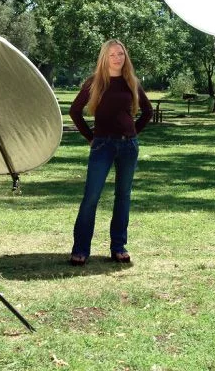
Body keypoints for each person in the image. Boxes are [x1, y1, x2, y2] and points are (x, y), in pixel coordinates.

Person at [69, 39, 153, 266]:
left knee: (123, 197)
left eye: (121, 54)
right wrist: (91, 137)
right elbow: (75, 111)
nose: (118, 58)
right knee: (91, 197)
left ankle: (118, 247)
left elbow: (147, 111)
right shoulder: (94, 82)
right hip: (102, 146)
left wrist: (133, 133)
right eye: (113, 54)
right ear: (105, 57)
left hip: (128, 147)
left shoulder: (131, 82)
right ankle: (80, 249)